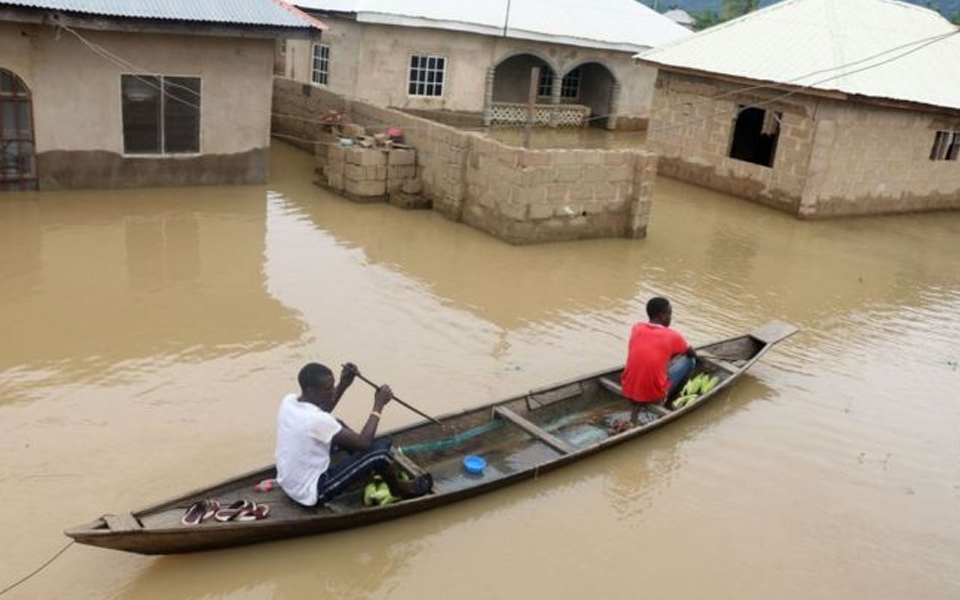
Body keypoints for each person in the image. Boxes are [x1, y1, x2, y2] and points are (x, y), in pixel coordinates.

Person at [275, 362, 430, 507]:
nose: (333, 390)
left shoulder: (289, 401)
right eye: (328, 389)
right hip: (310, 491)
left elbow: (324, 412)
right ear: (310, 391)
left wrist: (344, 384)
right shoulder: (316, 420)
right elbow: (363, 443)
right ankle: (399, 489)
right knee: (381, 454)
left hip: (289, 482)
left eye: (333, 386)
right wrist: (378, 405)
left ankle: (366, 466)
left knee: (339, 425)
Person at [621, 297, 697, 422]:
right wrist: (695, 355)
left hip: (627, 391)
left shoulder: (636, 328)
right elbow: (691, 353)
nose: (670, 318)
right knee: (690, 361)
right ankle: (667, 403)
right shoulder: (673, 336)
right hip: (653, 396)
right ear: (662, 316)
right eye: (669, 314)